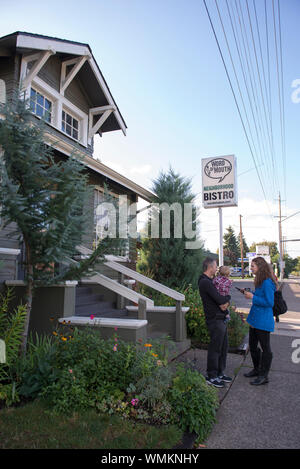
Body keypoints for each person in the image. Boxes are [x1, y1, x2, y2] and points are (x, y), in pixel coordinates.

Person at [198, 257, 232, 388]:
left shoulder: (211, 281)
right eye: (215, 266)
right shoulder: (205, 282)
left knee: (223, 347)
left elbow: (222, 301)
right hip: (214, 319)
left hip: (221, 318)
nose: (217, 268)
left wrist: (225, 302)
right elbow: (220, 299)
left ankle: (220, 372)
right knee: (215, 348)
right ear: (210, 267)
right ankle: (211, 376)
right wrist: (228, 299)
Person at [243, 256, 277, 385]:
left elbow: (269, 302)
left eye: (252, 266)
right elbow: (260, 296)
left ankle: (264, 376)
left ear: (260, 267)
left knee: (265, 348)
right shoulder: (260, 281)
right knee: (252, 346)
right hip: (255, 319)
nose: (250, 268)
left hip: (263, 320)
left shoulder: (267, 282)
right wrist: (250, 293)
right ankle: (257, 369)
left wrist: (252, 297)